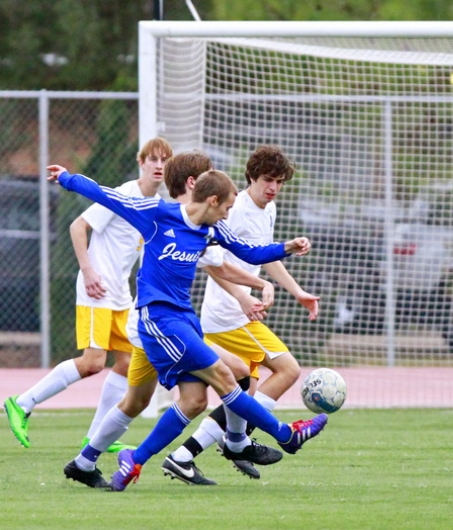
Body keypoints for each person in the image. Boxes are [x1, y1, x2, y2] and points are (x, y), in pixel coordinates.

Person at [47, 162, 328, 492]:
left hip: (183, 320)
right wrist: (67, 179)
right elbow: (105, 195)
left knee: (192, 400)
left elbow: (249, 253)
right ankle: (285, 436)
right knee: (228, 374)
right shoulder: (157, 214)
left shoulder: (211, 230)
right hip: (157, 321)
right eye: (225, 208)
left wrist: (286, 248)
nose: (227, 215)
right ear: (211, 201)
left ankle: (116, 460)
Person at [163, 145, 320, 484]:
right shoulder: (234, 209)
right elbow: (213, 263)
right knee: (287, 370)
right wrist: (241, 297)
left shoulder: (269, 209)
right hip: (228, 316)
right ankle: (237, 442)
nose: (273, 187)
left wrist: (297, 292)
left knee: (243, 390)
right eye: (267, 179)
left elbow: (263, 256)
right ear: (251, 177)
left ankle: (188, 453)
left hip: (239, 314)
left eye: (279, 181)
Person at [4, 138, 172, 450]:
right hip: (97, 287)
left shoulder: (156, 206)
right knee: (93, 362)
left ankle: (96, 437)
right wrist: (89, 271)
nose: (159, 165)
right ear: (142, 162)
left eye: (164, 160)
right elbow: (78, 226)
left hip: (120, 292)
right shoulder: (125, 194)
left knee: (127, 362)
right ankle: (22, 402)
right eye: (153, 159)